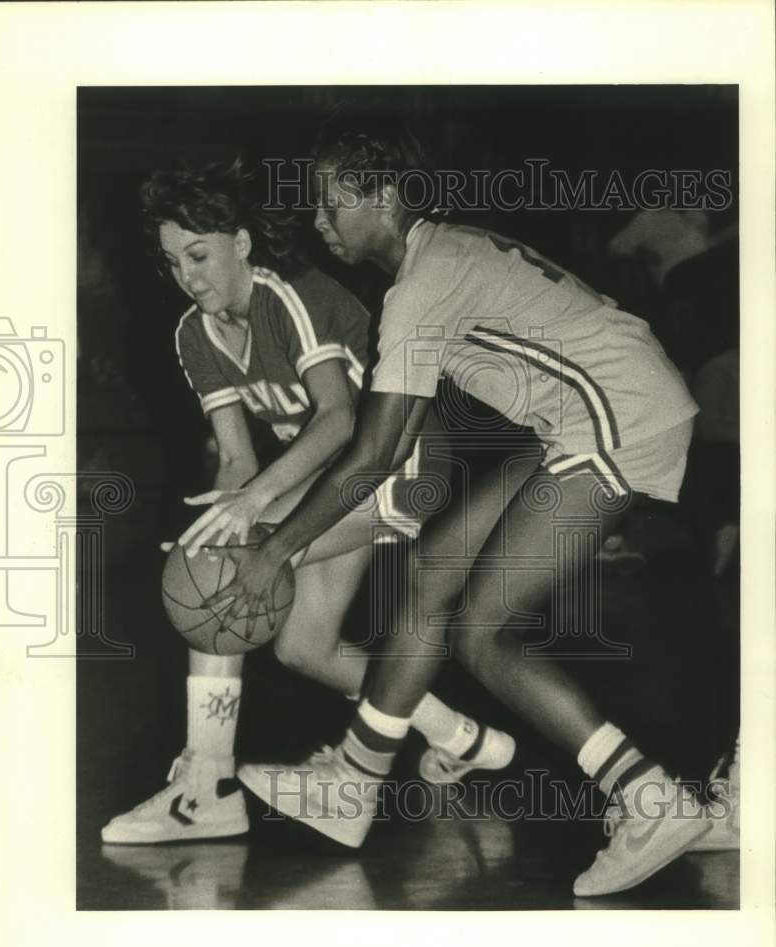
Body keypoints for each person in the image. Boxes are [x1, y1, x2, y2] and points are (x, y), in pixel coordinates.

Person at [202, 113, 724, 897]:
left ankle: (645, 797)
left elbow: (374, 455)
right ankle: (355, 782)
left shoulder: (418, 287)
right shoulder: (439, 260)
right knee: (434, 568)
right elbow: (392, 444)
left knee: (483, 632)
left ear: (381, 197)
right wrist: (288, 536)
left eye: (330, 204)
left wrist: (277, 546)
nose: (319, 223)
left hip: (621, 416)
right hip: (593, 413)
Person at [101, 159, 515, 846]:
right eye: (173, 262)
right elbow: (236, 458)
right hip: (336, 480)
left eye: (199, 254)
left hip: (403, 460)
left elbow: (339, 420)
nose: (188, 275)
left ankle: (207, 783)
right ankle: (465, 739)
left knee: (224, 572)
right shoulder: (192, 335)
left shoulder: (289, 294)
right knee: (303, 647)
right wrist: (227, 513)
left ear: (241, 241)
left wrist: (249, 516)